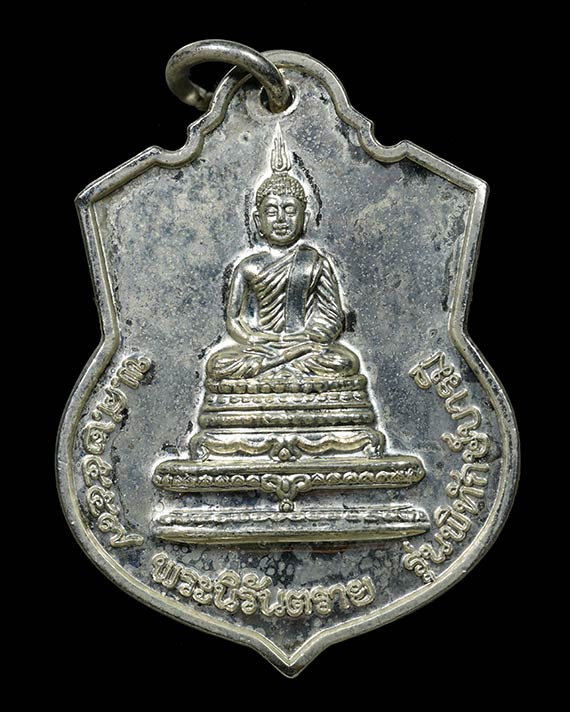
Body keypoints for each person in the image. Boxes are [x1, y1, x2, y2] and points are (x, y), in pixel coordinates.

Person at [206, 132, 360, 381]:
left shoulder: (315, 262)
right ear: (258, 221)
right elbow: (233, 320)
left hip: (304, 347)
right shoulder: (248, 267)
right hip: (261, 347)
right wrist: (255, 339)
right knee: (218, 364)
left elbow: (332, 317)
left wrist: (304, 339)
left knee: (345, 362)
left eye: (289, 209)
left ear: (304, 218)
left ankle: (275, 369)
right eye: (271, 211)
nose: (280, 219)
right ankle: (281, 368)